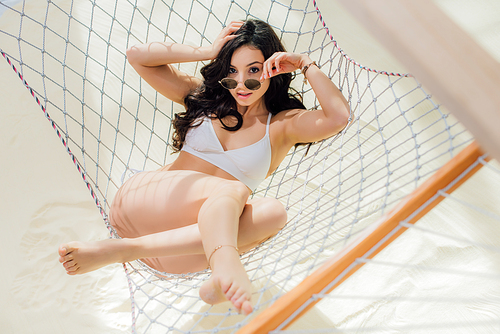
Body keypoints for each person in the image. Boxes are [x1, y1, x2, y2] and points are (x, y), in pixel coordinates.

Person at [58, 19, 349, 315]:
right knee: (235, 188)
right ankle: (222, 264)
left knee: (274, 213)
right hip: (143, 205)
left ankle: (144, 254)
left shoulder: (283, 126)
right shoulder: (204, 97)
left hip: (179, 250)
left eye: (253, 71)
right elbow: (137, 56)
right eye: (231, 72)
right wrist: (207, 50)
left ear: (273, 67)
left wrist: (304, 63)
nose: (240, 85)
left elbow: (338, 118)